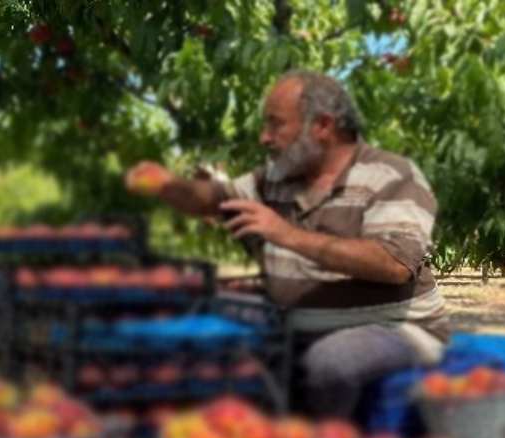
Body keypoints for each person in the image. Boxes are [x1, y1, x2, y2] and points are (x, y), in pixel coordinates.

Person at [125, 69, 448, 419]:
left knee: (331, 362)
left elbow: (395, 264)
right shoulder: (276, 179)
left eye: (275, 124)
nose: (264, 137)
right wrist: (167, 186)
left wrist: (286, 234)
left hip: (394, 327)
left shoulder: (391, 175)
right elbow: (213, 199)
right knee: (190, 320)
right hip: (293, 322)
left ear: (322, 127)